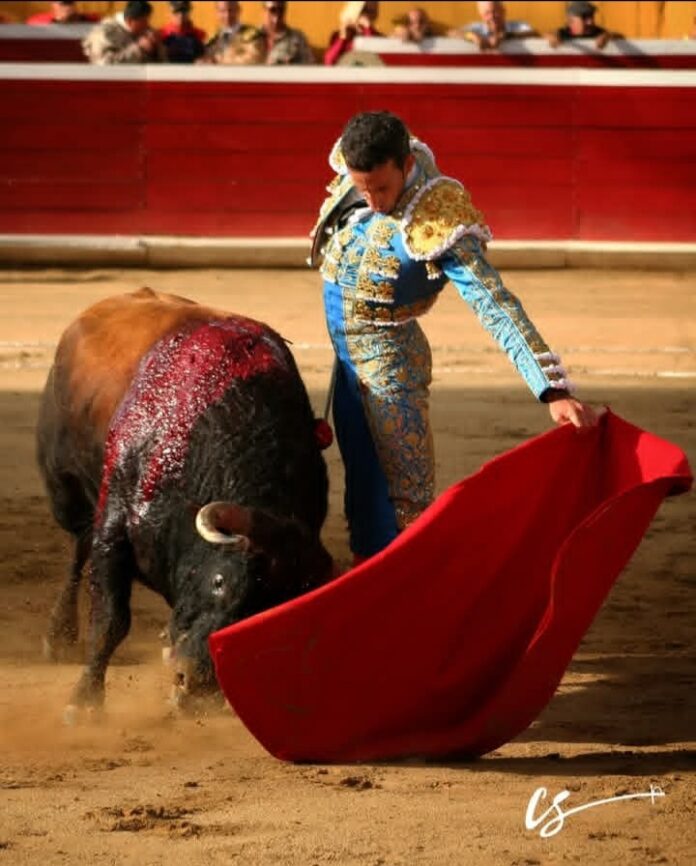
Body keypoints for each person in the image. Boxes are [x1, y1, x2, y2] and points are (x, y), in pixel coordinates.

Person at [310, 111, 597, 563]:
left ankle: (407, 589)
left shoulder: (440, 218)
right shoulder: (368, 169)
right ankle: (368, 586)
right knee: (363, 486)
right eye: (362, 188)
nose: (372, 199)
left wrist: (552, 389)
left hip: (390, 369)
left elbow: (494, 303)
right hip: (346, 364)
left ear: (405, 166)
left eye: (381, 188)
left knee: (404, 500)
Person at [82, 0, 166, 64]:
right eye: (143, 21)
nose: (147, 25)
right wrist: (138, 49)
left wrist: (157, 48)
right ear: (130, 21)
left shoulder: (145, 31)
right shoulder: (103, 33)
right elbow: (104, 64)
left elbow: (162, 63)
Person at [199, 1, 265, 65]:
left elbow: (253, 59)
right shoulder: (212, 40)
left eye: (231, 10)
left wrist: (218, 61)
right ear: (217, 13)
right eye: (222, 11)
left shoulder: (252, 35)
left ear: (238, 10)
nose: (227, 15)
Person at [449, 0, 534, 50]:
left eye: (495, 11)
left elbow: (533, 33)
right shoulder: (477, 28)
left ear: (503, 11)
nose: (492, 17)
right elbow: (452, 32)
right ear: (481, 16)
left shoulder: (517, 26)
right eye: (487, 13)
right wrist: (473, 37)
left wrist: (504, 36)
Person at [324, 1, 381, 66]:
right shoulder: (338, 35)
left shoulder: (376, 36)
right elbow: (328, 61)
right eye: (362, 11)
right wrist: (342, 39)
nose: (365, 16)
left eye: (369, 12)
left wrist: (367, 29)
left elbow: (374, 58)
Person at [547, 1, 618, 50]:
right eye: (584, 17)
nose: (590, 22)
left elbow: (614, 35)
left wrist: (607, 36)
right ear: (570, 20)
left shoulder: (598, 32)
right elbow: (550, 34)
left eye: (591, 16)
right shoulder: (562, 33)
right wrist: (550, 36)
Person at [260, 0, 314, 65]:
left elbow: (309, 67)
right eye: (272, 10)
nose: (276, 18)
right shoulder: (250, 38)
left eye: (281, 11)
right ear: (264, 10)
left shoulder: (297, 39)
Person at [26, 1, 100, 26]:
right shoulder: (37, 21)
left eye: (69, 2)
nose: (66, 8)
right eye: (63, 4)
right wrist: (57, 20)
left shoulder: (91, 20)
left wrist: (78, 19)